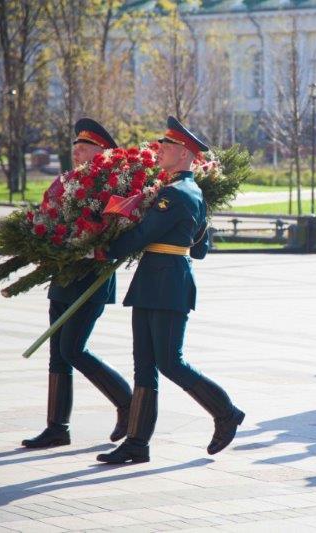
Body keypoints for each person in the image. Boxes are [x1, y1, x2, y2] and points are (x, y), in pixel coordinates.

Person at [96, 116, 244, 464]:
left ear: (185, 154)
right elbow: (200, 248)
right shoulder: (190, 192)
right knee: (144, 365)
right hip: (158, 279)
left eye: (167, 146)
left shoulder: (175, 194)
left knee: (168, 361)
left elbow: (144, 234)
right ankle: (137, 442)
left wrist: (103, 249)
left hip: (166, 283)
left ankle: (226, 412)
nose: (159, 150)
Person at [22, 118, 131, 449]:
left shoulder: (112, 186)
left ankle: (126, 401)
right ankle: (57, 427)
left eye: (85, 148)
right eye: (76, 147)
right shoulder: (63, 182)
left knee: (73, 348)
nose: (77, 152)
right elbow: (47, 216)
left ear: (102, 153)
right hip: (63, 274)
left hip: (92, 275)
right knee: (58, 353)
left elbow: (115, 228)